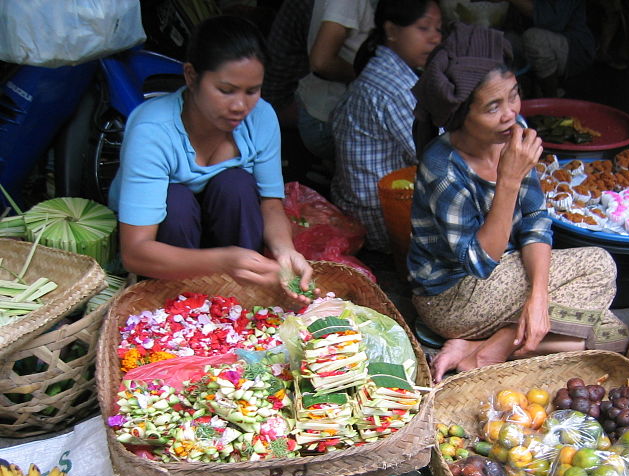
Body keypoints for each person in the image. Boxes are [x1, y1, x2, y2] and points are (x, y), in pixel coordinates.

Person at [408, 23, 629, 383]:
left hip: (509, 276)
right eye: (492, 107)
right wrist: (508, 179)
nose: (510, 113)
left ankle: (477, 347)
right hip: (453, 297)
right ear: (461, 116)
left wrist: (538, 300)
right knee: (598, 265)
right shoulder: (442, 168)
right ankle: (487, 345)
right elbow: (478, 262)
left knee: (613, 336)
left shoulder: (514, 129)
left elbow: (535, 220)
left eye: (513, 95)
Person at [108, 15, 315, 302]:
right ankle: (180, 302)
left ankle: (240, 298)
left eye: (252, 91)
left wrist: (284, 251)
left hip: (225, 238)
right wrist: (223, 261)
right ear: (191, 76)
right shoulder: (152, 131)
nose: (240, 106)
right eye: (226, 91)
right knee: (176, 202)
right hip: (166, 246)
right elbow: (135, 251)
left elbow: (270, 202)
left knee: (237, 185)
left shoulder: (262, 117)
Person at [330, 0, 443, 253]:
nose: (435, 38)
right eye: (424, 28)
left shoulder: (388, 69)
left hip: (357, 204)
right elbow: (436, 157)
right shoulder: (394, 87)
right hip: (378, 219)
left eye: (438, 29)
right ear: (391, 30)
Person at [295, 0, 376, 161]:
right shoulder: (346, 3)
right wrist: (371, 79)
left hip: (328, 114)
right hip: (326, 121)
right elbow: (321, 62)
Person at [497, 0, 595, 97]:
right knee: (502, 39)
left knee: (534, 38)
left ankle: (551, 96)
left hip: (574, 49)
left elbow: (552, 22)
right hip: (536, 43)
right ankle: (521, 87)